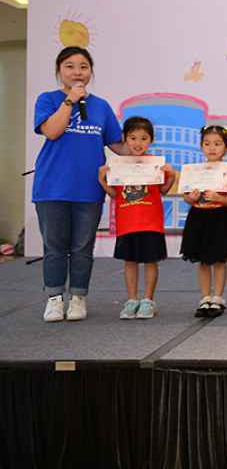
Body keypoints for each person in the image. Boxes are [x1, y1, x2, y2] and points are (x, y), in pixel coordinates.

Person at [33, 46, 128, 322]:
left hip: (89, 188)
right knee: (54, 246)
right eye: (70, 66)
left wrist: (148, 159)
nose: (77, 72)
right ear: (59, 71)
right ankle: (54, 298)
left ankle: (78, 297)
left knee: (82, 247)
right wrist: (70, 101)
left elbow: (119, 146)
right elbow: (52, 131)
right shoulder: (48, 99)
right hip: (52, 187)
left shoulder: (101, 106)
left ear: (91, 72)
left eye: (84, 67)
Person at [99, 116, 176, 320]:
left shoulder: (155, 164)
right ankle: (132, 300)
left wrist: (171, 176)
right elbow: (115, 194)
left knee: (151, 261)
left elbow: (164, 191)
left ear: (151, 140)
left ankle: (148, 300)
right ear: (125, 138)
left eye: (144, 138)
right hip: (127, 223)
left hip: (151, 223)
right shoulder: (118, 165)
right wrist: (102, 180)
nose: (138, 143)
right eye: (133, 138)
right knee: (130, 261)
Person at [180, 125, 227, 318]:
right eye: (207, 144)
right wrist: (191, 198)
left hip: (219, 217)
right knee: (203, 261)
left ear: (226, 146)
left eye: (217, 143)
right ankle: (205, 297)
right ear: (201, 146)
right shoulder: (194, 171)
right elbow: (186, 197)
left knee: (220, 260)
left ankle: (218, 298)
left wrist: (220, 198)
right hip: (198, 217)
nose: (212, 148)